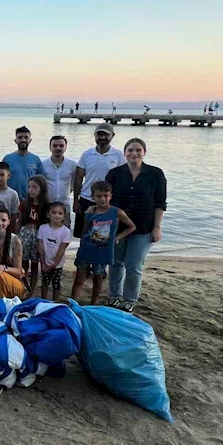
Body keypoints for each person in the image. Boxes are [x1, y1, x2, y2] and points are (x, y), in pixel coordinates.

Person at [105, 138, 167, 313]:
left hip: (144, 227)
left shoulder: (155, 174)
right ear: (124, 153)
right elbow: (107, 200)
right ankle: (114, 296)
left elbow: (160, 202)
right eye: (130, 150)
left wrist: (157, 227)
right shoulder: (114, 174)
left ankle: (129, 299)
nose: (134, 153)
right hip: (118, 227)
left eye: (138, 150)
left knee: (134, 265)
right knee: (116, 263)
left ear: (144, 153)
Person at [70, 181, 135, 304]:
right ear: (93, 197)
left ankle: (93, 305)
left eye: (106, 196)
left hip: (103, 252)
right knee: (79, 279)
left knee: (98, 279)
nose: (103, 199)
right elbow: (84, 231)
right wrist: (81, 248)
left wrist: (117, 237)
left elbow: (131, 227)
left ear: (110, 196)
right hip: (86, 250)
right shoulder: (90, 212)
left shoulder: (117, 212)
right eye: (99, 196)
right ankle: (72, 302)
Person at [73, 123, 126, 237]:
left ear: (112, 135)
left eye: (106, 134)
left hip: (107, 200)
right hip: (86, 198)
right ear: (95, 136)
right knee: (83, 233)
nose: (102, 137)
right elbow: (78, 177)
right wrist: (76, 200)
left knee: (102, 235)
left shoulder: (119, 155)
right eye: (99, 134)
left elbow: (122, 179)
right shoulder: (87, 154)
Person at [15, 174, 49, 290]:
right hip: (25, 234)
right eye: (29, 187)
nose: (31, 190)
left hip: (38, 235)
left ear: (42, 189)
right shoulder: (25, 204)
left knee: (35, 265)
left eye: (34, 187)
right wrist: (15, 237)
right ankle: (23, 286)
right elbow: (19, 221)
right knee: (23, 263)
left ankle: (32, 290)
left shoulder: (46, 206)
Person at [36, 203, 71, 302]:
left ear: (64, 216)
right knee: (44, 282)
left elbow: (62, 249)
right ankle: (43, 301)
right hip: (45, 262)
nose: (57, 215)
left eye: (60, 213)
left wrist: (55, 263)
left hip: (57, 264)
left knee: (56, 283)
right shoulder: (43, 228)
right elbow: (40, 245)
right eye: (54, 213)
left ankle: (55, 302)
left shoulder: (65, 231)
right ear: (48, 214)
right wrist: (42, 262)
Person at [41, 135, 77, 229]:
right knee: (46, 232)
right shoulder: (43, 165)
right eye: (55, 145)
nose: (58, 148)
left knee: (65, 232)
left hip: (65, 204)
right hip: (47, 204)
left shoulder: (72, 165)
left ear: (65, 147)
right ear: (50, 147)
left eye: (61, 146)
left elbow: (75, 183)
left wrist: (68, 193)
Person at [2, 126, 44, 201]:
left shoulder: (36, 160)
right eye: (20, 137)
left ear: (30, 140)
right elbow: (1, 179)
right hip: (10, 199)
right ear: (15, 140)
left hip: (30, 200)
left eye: (26, 137)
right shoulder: (7, 159)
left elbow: (41, 183)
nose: (23, 140)